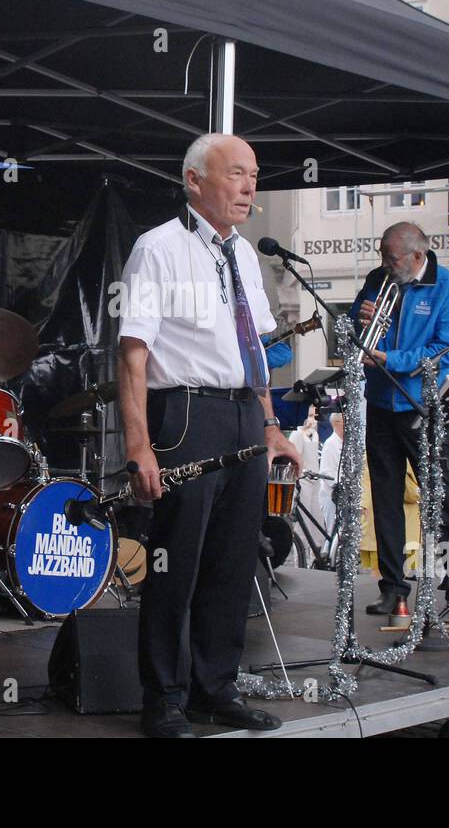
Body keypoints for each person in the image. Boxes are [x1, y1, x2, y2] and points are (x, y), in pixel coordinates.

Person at [118, 132, 300, 738]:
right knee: (176, 562)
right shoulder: (158, 248)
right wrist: (139, 444)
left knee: (232, 561)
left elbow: (256, 351)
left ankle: (215, 689)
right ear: (195, 180)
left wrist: (272, 424)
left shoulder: (246, 254)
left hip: (245, 414)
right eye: (235, 174)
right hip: (188, 414)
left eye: (253, 174)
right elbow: (133, 355)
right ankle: (163, 699)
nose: (249, 186)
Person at [347, 222, 449, 620]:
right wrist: (359, 319)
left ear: (418, 256)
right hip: (381, 404)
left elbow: (445, 352)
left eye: (392, 259)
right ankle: (393, 588)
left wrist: (391, 360)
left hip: (422, 408)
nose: (385, 265)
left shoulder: (446, 288)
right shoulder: (377, 279)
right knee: (384, 497)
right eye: (382, 256)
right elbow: (352, 332)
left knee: (444, 496)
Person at [288, 408, 321, 529]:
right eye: (310, 416)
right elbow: (293, 460)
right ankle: (301, 546)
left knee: (316, 516)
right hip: (303, 480)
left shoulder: (315, 434)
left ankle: (316, 546)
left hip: (316, 479)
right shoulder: (297, 434)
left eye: (314, 416)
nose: (312, 420)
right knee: (303, 518)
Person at [317, 412, 345, 533]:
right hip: (331, 496)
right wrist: (339, 486)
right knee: (332, 531)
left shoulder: (343, 443)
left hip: (341, 496)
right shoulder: (330, 443)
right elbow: (326, 472)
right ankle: (326, 551)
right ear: (338, 423)